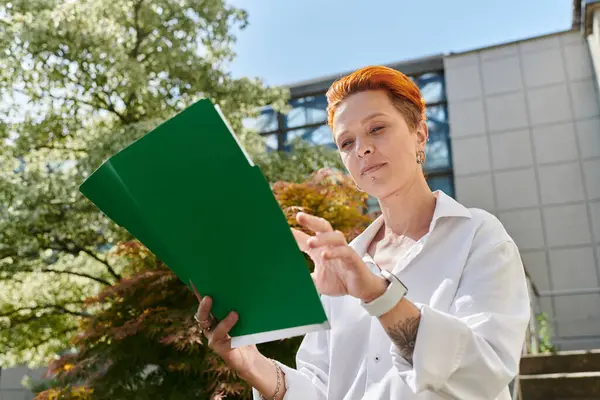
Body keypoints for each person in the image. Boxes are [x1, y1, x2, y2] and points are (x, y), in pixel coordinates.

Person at [192, 65, 531, 400]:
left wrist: (378, 296)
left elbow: (485, 371)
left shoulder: (478, 236)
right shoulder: (339, 263)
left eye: (377, 128)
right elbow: (321, 388)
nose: (362, 149)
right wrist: (249, 361)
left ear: (420, 134)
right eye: (346, 142)